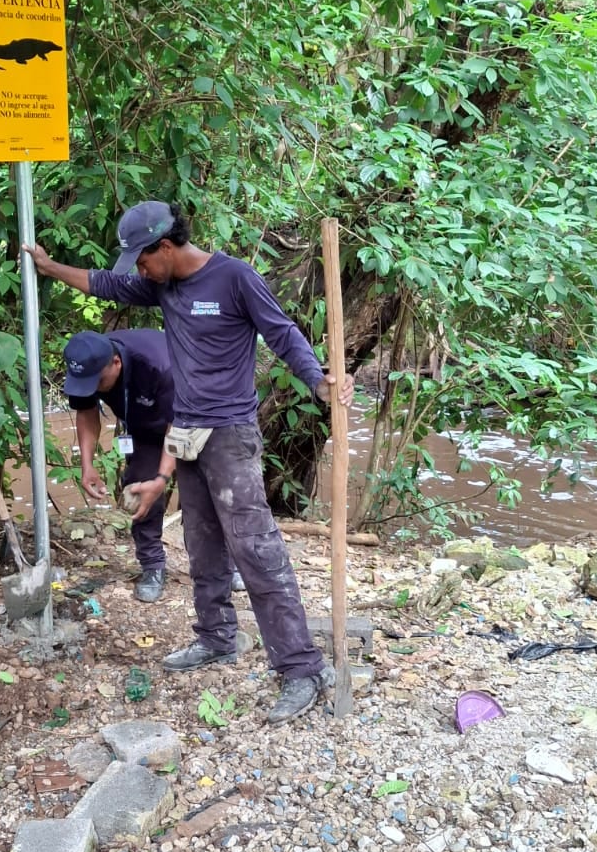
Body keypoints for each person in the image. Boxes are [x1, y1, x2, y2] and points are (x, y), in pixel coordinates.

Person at [26, 201, 353, 723]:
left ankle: (301, 667)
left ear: (166, 247)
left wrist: (319, 381)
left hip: (230, 433)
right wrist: (48, 268)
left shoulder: (234, 278)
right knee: (200, 542)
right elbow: (103, 284)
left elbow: (282, 333)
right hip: (186, 432)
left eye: (143, 259)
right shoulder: (162, 285)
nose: (139, 270)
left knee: (255, 546)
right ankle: (217, 636)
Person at [64, 329, 175, 602]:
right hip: (143, 427)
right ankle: (152, 565)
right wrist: (87, 465)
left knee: (206, 491)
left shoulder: (159, 365)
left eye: (98, 383)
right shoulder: (89, 363)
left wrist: (162, 479)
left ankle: (225, 564)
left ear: (116, 363)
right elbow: (86, 411)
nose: (93, 389)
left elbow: (179, 427)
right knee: (138, 486)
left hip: (193, 420)